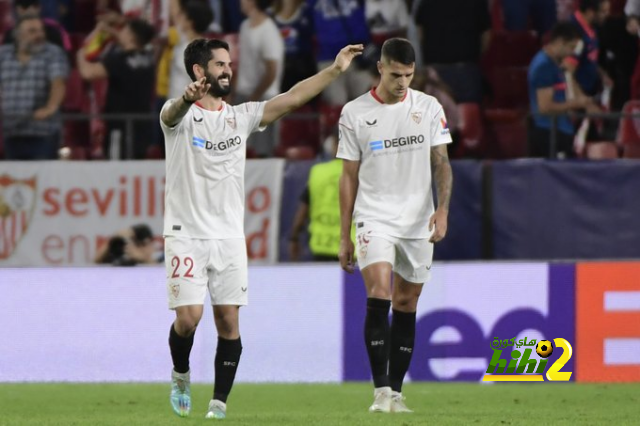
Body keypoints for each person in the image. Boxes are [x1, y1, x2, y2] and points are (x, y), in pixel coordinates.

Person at [159, 38, 363, 419]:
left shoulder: (242, 116)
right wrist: (186, 99)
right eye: (220, 64)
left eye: (229, 64)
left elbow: (292, 97)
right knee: (188, 319)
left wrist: (335, 71)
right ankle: (181, 373)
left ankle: (218, 405)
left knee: (228, 322)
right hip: (185, 233)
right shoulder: (181, 117)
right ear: (199, 71)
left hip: (229, 237)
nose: (228, 70)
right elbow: (170, 113)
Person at [337, 38, 453, 414]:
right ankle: (380, 391)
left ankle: (398, 393)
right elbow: (348, 176)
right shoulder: (355, 113)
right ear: (381, 69)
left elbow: (442, 163)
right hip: (375, 216)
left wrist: (443, 209)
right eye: (396, 74)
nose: (403, 82)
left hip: (418, 219)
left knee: (407, 302)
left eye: (409, 75)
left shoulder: (429, 107)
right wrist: (344, 235)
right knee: (380, 292)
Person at [76, 17, 156, 159]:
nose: (120, 32)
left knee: (117, 168)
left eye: (124, 30)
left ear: (130, 36)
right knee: (138, 168)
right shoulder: (149, 58)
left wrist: (80, 55)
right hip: (143, 126)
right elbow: (131, 43)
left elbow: (88, 73)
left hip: (120, 126)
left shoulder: (119, 60)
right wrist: (108, 30)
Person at [0, 14, 68, 160]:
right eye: (32, 31)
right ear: (18, 35)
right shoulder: (3, 55)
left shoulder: (52, 53)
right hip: (11, 130)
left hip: (43, 131)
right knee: (15, 179)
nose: (39, 35)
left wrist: (51, 107)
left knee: (42, 178)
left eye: (41, 30)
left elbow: (58, 83)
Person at [528, 22, 599, 158]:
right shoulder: (544, 66)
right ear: (560, 42)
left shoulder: (556, 65)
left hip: (560, 130)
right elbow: (544, 107)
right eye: (571, 47)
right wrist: (577, 103)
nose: (572, 52)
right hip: (549, 133)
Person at [289, 128, 341, 262]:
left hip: (321, 245)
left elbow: (303, 209)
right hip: (353, 248)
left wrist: (294, 238)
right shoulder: (362, 172)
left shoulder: (317, 172)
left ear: (334, 145)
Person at [95, 224, 160, 266]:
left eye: (139, 244)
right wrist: (112, 240)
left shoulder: (158, 262)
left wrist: (142, 258)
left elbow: (156, 267)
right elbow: (96, 262)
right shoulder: (119, 259)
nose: (133, 248)